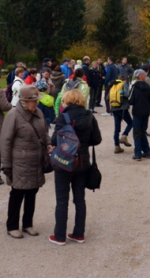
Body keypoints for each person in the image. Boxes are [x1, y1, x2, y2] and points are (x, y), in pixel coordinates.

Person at [49, 88, 102, 245]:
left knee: (62, 200)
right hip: (82, 163)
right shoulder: (89, 116)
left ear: (68, 101)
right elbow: (97, 139)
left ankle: (59, 235)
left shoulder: (63, 117)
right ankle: (79, 233)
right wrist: (83, 143)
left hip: (64, 162)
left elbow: (54, 140)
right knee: (79, 199)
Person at [0, 85, 51, 239]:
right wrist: (6, 164)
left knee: (32, 192)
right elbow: (5, 141)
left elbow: (44, 132)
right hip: (19, 161)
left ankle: (28, 224)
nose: (35, 103)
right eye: (32, 101)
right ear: (23, 101)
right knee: (18, 192)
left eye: (36, 100)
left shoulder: (39, 113)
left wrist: (48, 142)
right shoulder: (13, 115)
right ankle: (12, 226)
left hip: (36, 160)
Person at [128, 70, 150, 161]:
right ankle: (147, 151)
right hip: (146, 112)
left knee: (137, 133)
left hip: (137, 112)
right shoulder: (147, 86)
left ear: (137, 76)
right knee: (143, 131)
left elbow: (130, 101)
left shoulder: (134, 87)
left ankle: (138, 153)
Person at [111, 77, 133, 153]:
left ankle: (116, 146)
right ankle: (124, 135)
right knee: (131, 123)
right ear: (124, 80)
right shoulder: (123, 85)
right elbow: (127, 95)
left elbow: (107, 98)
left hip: (114, 109)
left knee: (116, 128)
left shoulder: (113, 85)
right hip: (122, 108)